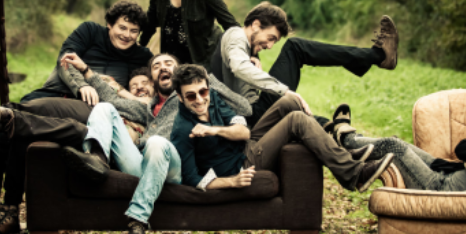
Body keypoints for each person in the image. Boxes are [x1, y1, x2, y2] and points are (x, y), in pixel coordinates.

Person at [0, 0, 153, 234]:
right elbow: (65, 63)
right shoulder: (89, 31)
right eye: (122, 27)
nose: (127, 35)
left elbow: (140, 94)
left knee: (21, 126)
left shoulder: (141, 56)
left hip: (87, 110)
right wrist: (81, 85)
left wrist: (107, 91)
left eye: (134, 31)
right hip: (52, 96)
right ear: (109, 24)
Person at [57, 53, 252, 234]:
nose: (163, 67)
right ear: (152, 79)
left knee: (157, 142)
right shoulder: (146, 108)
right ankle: (97, 160)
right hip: (144, 163)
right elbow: (111, 98)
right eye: (157, 66)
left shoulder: (191, 99)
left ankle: (138, 221)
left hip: (172, 166)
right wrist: (85, 70)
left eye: (169, 63)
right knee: (104, 107)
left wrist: (202, 78)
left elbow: (244, 108)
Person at [168, 64, 394, 196]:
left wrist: (213, 131)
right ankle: (354, 175)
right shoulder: (182, 130)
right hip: (243, 164)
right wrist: (232, 181)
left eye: (203, 92)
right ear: (179, 97)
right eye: (191, 96)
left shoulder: (213, 98)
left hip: (246, 143)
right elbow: (191, 179)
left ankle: (339, 153)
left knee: (290, 101)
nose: (200, 99)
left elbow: (244, 132)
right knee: (297, 120)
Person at [211, 2, 399, 127]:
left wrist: (253, 72)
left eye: (273, 42)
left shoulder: (244, 46)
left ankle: (330, 127)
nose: (269, 46)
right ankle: (378, 56)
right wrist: (284, 91)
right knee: (295, 48)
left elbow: (238, 71)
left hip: (252, 113)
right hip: (252, 116)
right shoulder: (236, 35)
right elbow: (238, 66)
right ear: (256, 25)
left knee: (295, 49)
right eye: (270, 38)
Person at [329, 97, 466, 191]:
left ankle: (344, 139)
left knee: (394, 147)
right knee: (397, 142)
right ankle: (347, 141)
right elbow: (463, 147)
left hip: (439, 186)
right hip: (441, 168)